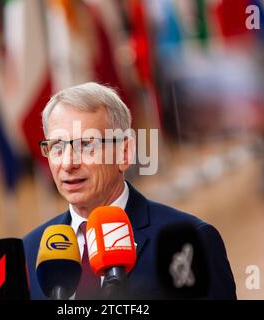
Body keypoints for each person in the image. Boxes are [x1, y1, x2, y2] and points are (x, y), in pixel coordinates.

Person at [22, 82, 236, 299]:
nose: (68, 163)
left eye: (85, 145)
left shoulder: (190, 242)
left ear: (124, 152)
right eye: (57, 146)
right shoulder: (28, 252)